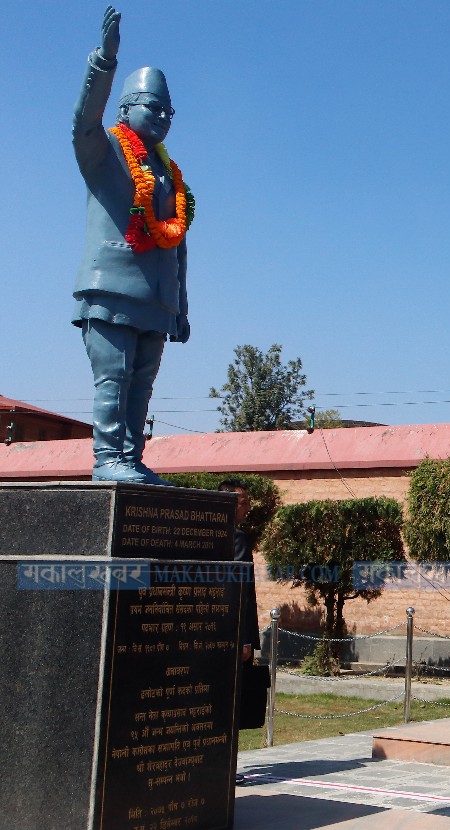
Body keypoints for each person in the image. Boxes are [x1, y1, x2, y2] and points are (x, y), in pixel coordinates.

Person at [73, 7, 192, 485]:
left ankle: (131, 457)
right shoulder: (103, 154)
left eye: (168, 110)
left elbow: (177, 245)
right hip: (111, 290)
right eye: (151, 106)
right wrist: (106, 60)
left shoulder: (170, 176)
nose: (162, 116)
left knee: (141, 385)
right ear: (125, 110)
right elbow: (83, 120)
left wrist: (179, 307)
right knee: (114, 378)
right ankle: (109, 460)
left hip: (156, 300)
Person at [219, 479, 260, 786]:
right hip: (234, 634)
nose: (248, 507)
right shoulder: (237, 538)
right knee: (231, 704)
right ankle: (226, 769)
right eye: (244, 501)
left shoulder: (207, 535)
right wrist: (244, 637)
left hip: (214, 631)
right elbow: (240, 590)